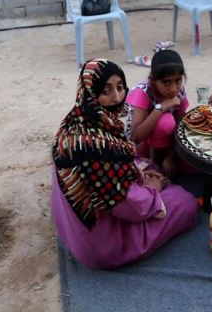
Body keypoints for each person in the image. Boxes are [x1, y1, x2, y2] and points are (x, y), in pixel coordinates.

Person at [51, 59, 198, 270]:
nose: (117, 97)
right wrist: (152, 191)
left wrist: (138, 176)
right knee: (186, 203)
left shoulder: (73, 123)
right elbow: (133, 208)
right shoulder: (99, 149)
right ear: (90, 92)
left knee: (146, 165)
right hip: (101, 245)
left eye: (120, 88)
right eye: (106, 90)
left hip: (73, 228)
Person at [126, 49, 190, 177]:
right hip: (140, 149)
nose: (173, 88)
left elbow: (180, 127)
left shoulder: (180, 92)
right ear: (153, 80)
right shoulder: (143, 92)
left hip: (168, 144)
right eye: (166, 82)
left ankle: (165, 163)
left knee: (195, 165)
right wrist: (161, 108)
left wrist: (171, 156)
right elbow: (135, 137)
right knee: (165, 122)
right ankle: (155, 165)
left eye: (178, 80)